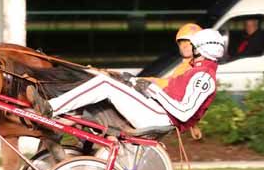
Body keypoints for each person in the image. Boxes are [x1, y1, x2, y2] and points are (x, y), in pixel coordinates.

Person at [27, 28, 225, 132]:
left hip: (159, 116)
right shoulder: (195, 71)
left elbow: (183, 112)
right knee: (109, 80)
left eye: (194, 45)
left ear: (203, 48)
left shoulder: (204, 77)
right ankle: (65, 113)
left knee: (105, 85)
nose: (191, 48)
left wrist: (153, 89)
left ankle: (51, 108)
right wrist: (134, 83)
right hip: (156, 109)